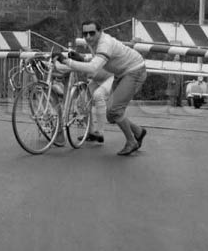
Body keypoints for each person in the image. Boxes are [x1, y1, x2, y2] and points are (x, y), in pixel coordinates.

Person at [57, 20, 147, 156]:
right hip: (121, 73)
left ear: (100, 32)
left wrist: (66, 61)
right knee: (111, 115)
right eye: (85, 34)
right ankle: (138, 132)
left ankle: (131, 142)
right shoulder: (95, 42)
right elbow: (97, 60)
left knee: (115, 110)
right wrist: (81, 59)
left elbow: (93, 68)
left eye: (92, 33)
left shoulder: (105, 43)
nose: (88, 37)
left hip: (134, 71)